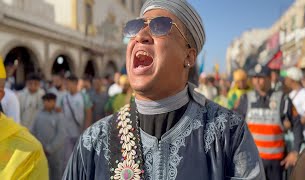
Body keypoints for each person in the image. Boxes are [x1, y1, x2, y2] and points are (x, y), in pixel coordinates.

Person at [63, 1, 265, 179]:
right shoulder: (92, 143)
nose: (141, 36)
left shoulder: (229, 134)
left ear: (189, 56)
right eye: (135, 27)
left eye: (159, 26)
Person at [236, 64, 303, 180]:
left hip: (276, 163)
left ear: (269, 78)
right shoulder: (245, 99)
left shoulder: (283, 99)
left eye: (261, 77)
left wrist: (295, 151)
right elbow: (234, 125)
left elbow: (297, 123)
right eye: (255, 77)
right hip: (252, 161)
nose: (257, 81)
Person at [0, 57, 49, 179]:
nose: (33, 86)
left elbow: (15, 119)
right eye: (30, 83)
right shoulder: (21, 95)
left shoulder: (30, 153)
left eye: (35, 84)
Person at [59, 75, 93, 166]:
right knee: (68, 159)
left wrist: (86, 129)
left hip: (80, 132)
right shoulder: (64, 97)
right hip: (67, 134)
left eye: (69, 84)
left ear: (75, 84)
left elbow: (88, 112)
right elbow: (60, 110)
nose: (67, 86)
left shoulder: (83, 96)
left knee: (81, 158)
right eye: (66, 84)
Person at [31, 93, 66, 180]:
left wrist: (49, 149)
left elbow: (61, 135)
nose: (46, 103)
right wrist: (37, 146)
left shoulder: (59, 116)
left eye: (49, 101)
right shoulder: (38, 115)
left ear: (54, 102)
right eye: (45, 101)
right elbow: (33, 131)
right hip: (40, 151)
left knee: (55, 174)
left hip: (55, 153)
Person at [282, 67, 305, 145]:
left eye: (287, 78)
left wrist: (293, 124)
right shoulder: (291, 93)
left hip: (302, 137)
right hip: (291, 136)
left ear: (292, 79)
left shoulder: (303, 94)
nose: (284, 80)